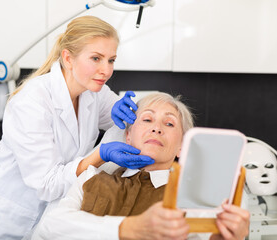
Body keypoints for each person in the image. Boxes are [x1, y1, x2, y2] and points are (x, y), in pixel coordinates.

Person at [0, 16, 154, 240]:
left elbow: (128, 124)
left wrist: (133, 114)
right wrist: (99, 156)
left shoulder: (95, 90)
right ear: (68, 58)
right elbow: (47, 184)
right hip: (5, 215)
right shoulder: (32, 102)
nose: (106, 70)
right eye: (96, 58)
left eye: (111, 60)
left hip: (50, 215)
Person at [35, 92, 250, 240]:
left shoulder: (193, 199)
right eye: (147, 120)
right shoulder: (92, 178)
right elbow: (49, 228)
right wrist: (128, 229)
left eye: (169, 123)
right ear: (128, 136)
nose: (156, 128)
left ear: (182, 148)